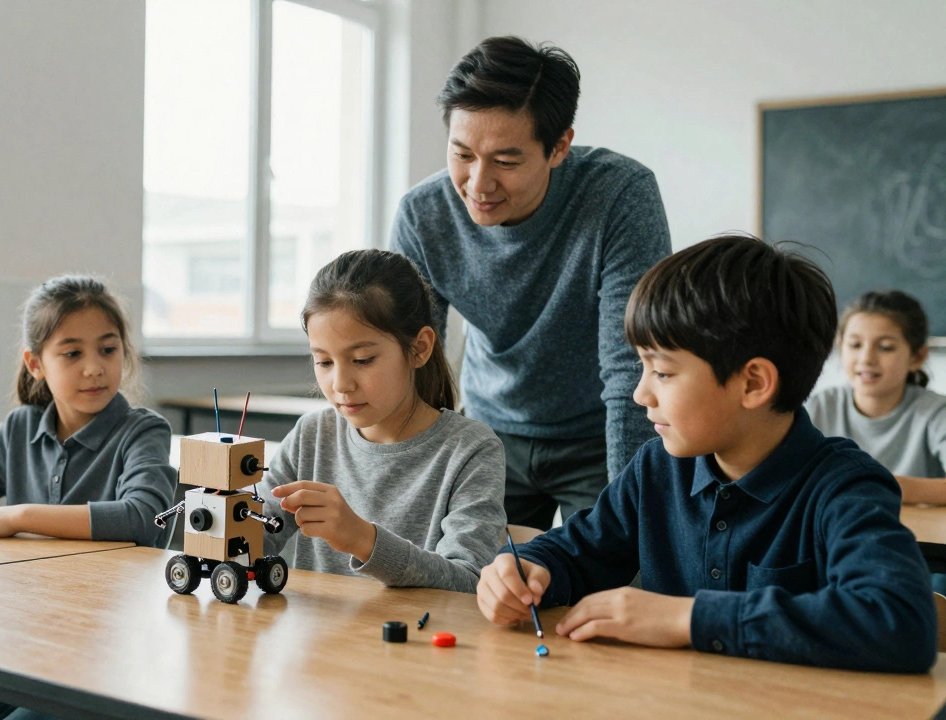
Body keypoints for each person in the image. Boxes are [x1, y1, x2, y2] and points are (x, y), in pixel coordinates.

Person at [476, 234, 936, 673]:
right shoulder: (658, 467)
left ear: (753, 383)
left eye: (662, 372)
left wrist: (684, 619)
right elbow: (579, 551)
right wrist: (526, 569)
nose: (640, 394)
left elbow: (900, 621)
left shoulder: (845, 486)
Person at [391, 35, 671, 529]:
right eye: (462, 154)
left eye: (505, 161)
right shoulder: (423, 214)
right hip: (487, 432)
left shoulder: (618, 195)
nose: (478, 185)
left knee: (612, 578)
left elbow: (631, 364)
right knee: (471, 584)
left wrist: (633, 526)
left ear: (559, 146)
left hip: (599, 433)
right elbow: (413, 363)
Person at [0, 274, 176, 720]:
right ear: (35, 363)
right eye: (72, 353)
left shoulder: (143, 431)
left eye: (108, 349)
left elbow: (146, 519)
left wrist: (18, 516)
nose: (94, 367)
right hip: (22, 650)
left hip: (106, 656)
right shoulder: (22, 427)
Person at [260, 249, 506, 594]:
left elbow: (467, 582)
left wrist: (363, 539)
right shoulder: (312, 435)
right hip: (319, 642)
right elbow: (257, 533)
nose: (341, 385)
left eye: (362, 360)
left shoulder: (471, 450)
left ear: (419, 348)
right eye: (324, 362)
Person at [806, 290, 946, 504]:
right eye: (855, 345)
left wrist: (883, 484)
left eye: (885, 347)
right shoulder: (819, 407)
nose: (866, 358)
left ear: (917, 357)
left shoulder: (936, 413)